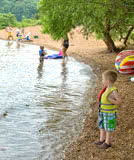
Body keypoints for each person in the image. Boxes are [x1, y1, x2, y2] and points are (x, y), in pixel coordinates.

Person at [94, 70, 121, 149]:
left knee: (108, 128)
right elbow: (102, 99)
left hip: (109, 113)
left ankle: (107, 142)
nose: (102, 81)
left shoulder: (113, 90)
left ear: (108, 81)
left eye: (103, 79)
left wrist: (111, 100)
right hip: (102, 111)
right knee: (101, 126)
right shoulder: (106, 89)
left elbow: (119, 102)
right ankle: (102, 140)